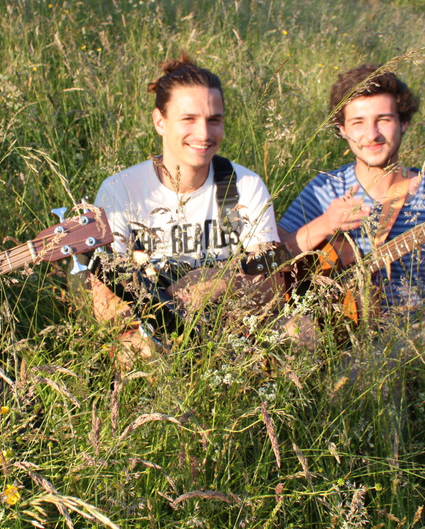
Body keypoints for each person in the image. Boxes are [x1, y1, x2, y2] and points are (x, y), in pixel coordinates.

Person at [278, 65, 425, 373]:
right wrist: (325, 224)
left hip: (416, 329)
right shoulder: (325, 188)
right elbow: (275, 257)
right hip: (337, 329)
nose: (372, 134)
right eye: (358, 122)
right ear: (342, 129)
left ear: (404, 122)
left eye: (384, 119)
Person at [88, 55, 281, 362]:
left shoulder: (243, 184)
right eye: (188, 119)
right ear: (160, 122)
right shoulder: (121, 190)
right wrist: (167, 310)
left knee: (302, 331)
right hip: (153, 334)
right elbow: (105, 307)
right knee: (138, 354)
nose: (204, 133)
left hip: (233, 327)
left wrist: (218, 283)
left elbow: (273, 284)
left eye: (214, 120)